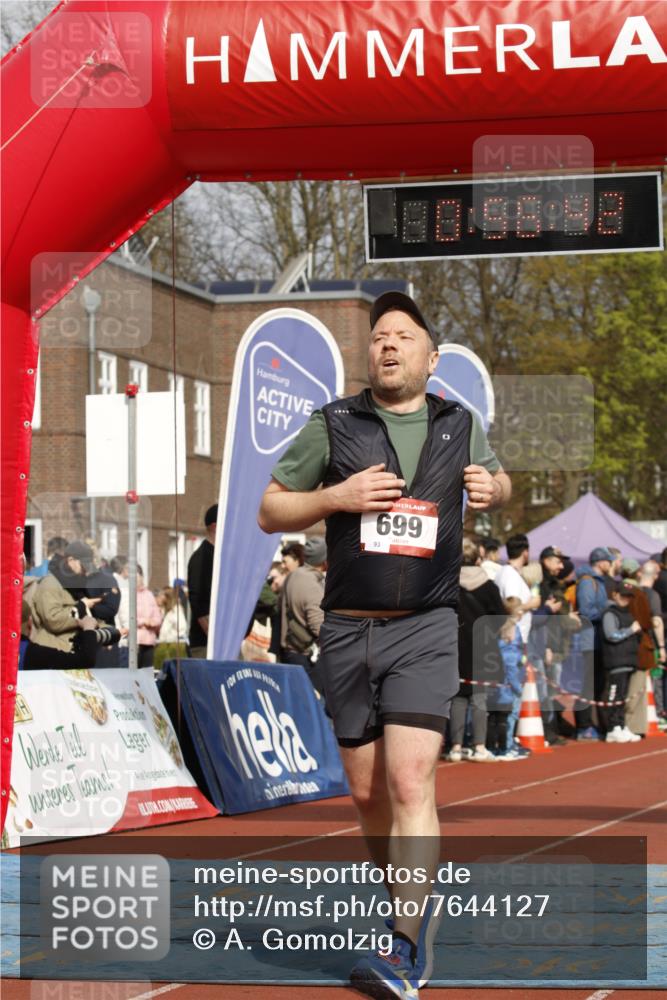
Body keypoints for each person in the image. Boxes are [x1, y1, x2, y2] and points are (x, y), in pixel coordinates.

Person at [258, 289, 511, 999]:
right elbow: (269, 508)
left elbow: (499, 478)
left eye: (402, 336)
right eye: (377, 337)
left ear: (431, 359)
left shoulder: (458, 423)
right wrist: (333, 499)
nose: (387, 345)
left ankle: (405, 940)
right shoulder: (333, 423)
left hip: (427, 625)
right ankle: (403, 903)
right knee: (367, 793)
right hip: (345, 627)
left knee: (408, 781)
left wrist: (494, 487)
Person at [448, 539, 506, 763]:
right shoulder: (489, 585)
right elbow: (499, 617)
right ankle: (480, 746)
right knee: (479, 697)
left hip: (456, 642)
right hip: (484, 645)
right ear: (478, 558)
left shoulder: (449, 584)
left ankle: (455, 746)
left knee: (458, 696)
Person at [30, 540, 101, 652]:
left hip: (72, 651)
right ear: (70, 560)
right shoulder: (50, 583)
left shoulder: (77, 584)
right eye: (83, 566)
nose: (86, 571)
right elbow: (52, 619)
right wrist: (82, 607)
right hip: (51, 652)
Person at [573, 547, 614, 739]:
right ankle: (583, 725)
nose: (611, 564)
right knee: (586, 685)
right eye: (608, 561)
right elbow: (586, 611)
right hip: (588, 641)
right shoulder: (588, 583)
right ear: (600, 562)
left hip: (597, 641)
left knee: (597, 684)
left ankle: (593, 723)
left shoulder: (599, 582)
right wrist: (607, 612)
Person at [280, 538, 327, 693]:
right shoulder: (312, 585)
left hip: (292, 651)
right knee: (313, 707)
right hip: (306, 655)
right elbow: (318, 627)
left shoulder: (295, 575)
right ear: (323, 560)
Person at [599, 580, 641, 742]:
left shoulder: (628, 613)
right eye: (623, 596)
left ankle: (621, 725)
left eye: (629, 597)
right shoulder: (610, 613)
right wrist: (631, 630)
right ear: (615, 595)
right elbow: (611, 635)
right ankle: (612, 728)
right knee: (614, 695)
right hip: (615, 661)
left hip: (627, 661)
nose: (626, 600)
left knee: (622, 696)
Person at [187, 504, 217, 657]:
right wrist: (215, 640)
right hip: (207, 645)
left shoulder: (221, 556)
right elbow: (198, 601)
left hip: (223, 642)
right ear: (215, 526)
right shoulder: (201, 558)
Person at [154, 586, 189, 672]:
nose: (161, 598)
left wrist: (172, 637)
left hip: (173, 646)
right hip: (166, 645)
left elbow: (182, 627)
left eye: (163, 596)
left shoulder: (176, 610)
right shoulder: (168, 611)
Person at [136, 565, 162, 667]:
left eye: (139, 576)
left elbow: (157, 617)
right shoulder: (128, 594)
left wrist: (152, 622)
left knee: (147, 673)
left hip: (149, 640)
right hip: (135, 640)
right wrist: (143, 621)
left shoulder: (149, 594)